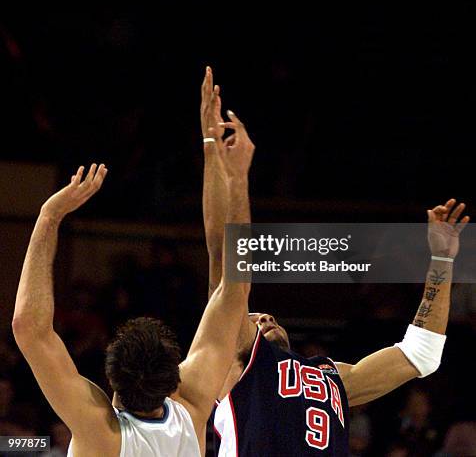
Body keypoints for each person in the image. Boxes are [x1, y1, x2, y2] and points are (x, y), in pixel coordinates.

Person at [201, 65, 469, 456]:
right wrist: (219, 156)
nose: (264, 317)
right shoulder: (238, 361)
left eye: (264, 314)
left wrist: (443, 260)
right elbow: (224, 256)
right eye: (253, 317)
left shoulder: (329, 376)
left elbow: (420, 354)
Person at [13, 122, 254, 457]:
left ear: (111, 381)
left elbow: (29, 327)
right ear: (175, 382)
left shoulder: (101, 432)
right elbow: (235, 286)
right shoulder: (192, 408)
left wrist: (49, 216)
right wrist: (236, 174)